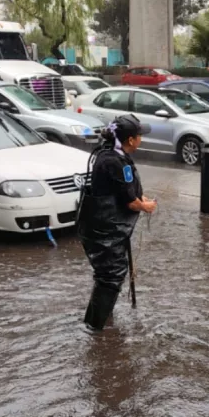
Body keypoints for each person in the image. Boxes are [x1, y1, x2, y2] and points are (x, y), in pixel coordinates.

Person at [77, 114, 157, 331]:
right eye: (139, 135)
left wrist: (141, 200)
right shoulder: (114, 161)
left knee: (107, 274)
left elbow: (123, 191)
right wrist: (146, 206)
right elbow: (130, 202)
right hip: (105, 229)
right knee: (111, 275)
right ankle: (94, 328)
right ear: (131, 139)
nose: (141, 139)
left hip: (103, 226)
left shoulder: (110, 155)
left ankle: (101, 319)